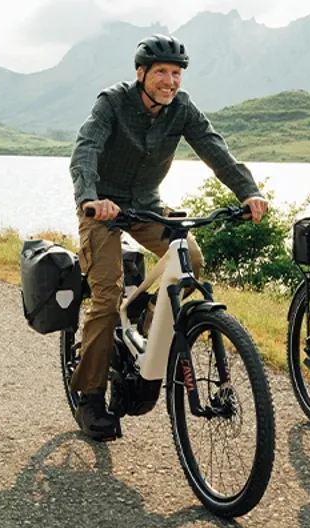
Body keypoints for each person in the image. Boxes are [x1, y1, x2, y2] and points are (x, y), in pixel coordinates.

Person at [69, 34, 269, 440]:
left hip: (147, 206)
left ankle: (145, 319)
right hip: (104, 208)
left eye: (176, 73)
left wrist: (248, 190)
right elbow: (86, 149)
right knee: (107, 298)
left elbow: (215, 148)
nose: (170, 81)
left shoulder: (182, 108)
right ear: (141, 73)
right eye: (162, 72)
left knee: (190, 259)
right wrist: (91, 198)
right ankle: (89, 396)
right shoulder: (113, 102)